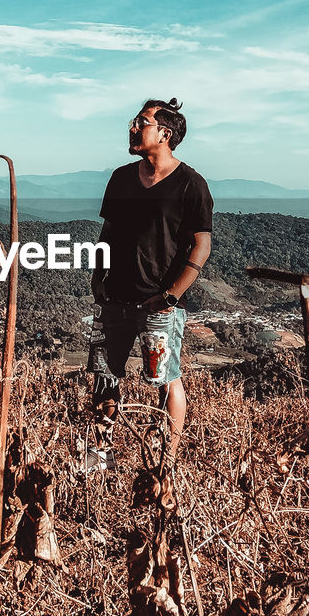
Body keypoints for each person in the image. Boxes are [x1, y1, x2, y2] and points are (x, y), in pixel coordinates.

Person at [85, 98, 213, 472]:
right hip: (115, 297)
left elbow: (201, 244)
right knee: (104, 375)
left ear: (165, 133)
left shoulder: (191, 184)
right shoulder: (122, 177)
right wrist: (98, 276)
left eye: (141, 122)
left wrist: (172, 294)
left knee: (165, 378)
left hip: (160, 303)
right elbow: (107, 232)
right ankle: (99, 455)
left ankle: (166, 461)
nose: (132, 128)